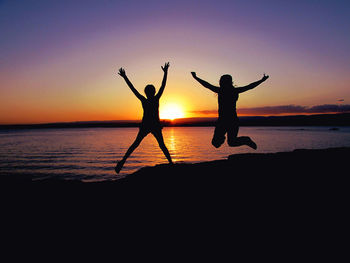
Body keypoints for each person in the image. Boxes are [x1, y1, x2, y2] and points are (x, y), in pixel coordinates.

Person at [115, 63, 173, 173]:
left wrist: (125, 77)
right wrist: (165, 73)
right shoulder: (152, 99)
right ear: (151, 92)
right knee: (158, 145)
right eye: (151, 91)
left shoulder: (147, 99)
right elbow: (162, 86)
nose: (151, 93)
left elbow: (134, 89)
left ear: (148, 92)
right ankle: (171, 163)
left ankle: (122, 162)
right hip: (150, 125)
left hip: (151, 125)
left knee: (141, 144)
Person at [191, 72, 269, 149]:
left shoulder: (228, 91)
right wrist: (196, 77)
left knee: (231, 142)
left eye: (222, 81)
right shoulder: (223, 90)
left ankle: (246, 140)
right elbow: (207, 85)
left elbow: (250, 86)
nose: (220, 82)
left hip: (231, 120)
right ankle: (223, 137)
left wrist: (261, 80)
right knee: (216, 143)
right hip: (224, 121)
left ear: (225, 82)